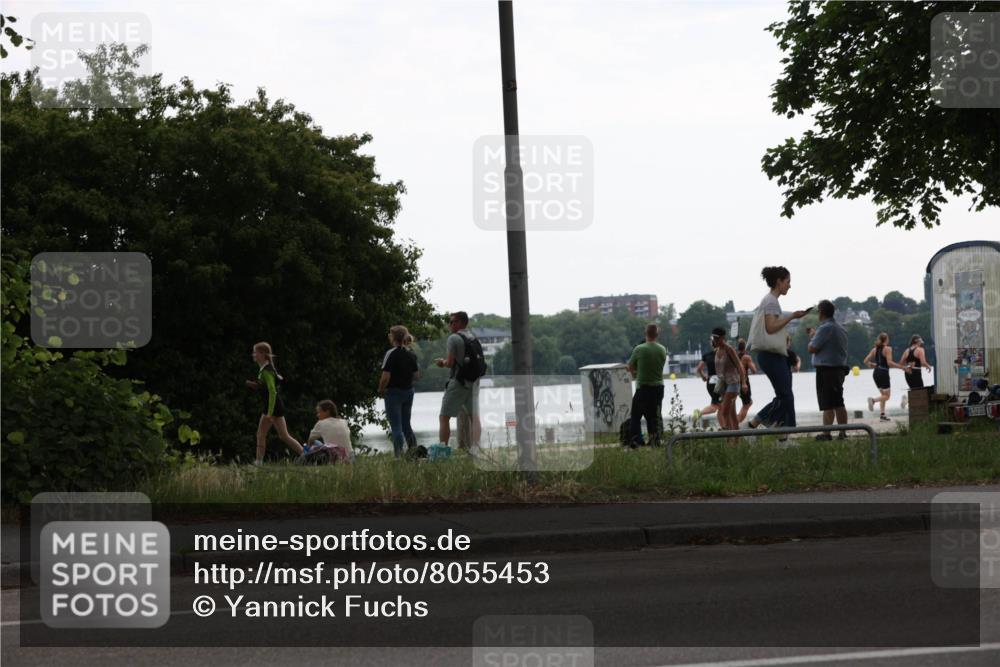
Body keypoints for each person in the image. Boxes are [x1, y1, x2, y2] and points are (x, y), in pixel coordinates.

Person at [746, 266, 811, 432]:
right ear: (779, 282)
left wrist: (785, 334)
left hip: (771, 356)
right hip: (771, 356)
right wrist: (792, 316)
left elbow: (772, 327)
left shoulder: (769, 300)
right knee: (785, 396)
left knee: (785, 396)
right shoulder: (771, 301)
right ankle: (752, 425)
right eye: (788, 282)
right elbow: (770, 327)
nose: (789, 286)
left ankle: (782, 436)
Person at [247, 341, 303, 465]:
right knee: (284, 436)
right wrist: (255, 386)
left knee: (261, 434)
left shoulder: (266, 370)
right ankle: (305, 455)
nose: (253, 354)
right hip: (275, 406)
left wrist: (270, 413)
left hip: (272, 407)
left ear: (262, 354)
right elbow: (267, 388)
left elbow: (272, 392)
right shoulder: (265, 369)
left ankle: (259, 462)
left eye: (255, 352)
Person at [434, 311, 482, 451]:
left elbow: (450, 363)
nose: (449, 325)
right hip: (474, 382)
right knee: (474, 416)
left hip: (459, 381)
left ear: (460, 323)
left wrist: (441, 362)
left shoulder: (453, 338)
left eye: (452, 322)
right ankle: (476, 448)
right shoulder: (473, 337)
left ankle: (443, 450)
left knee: (444, 417)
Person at [807, 300, 850, 441]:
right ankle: (838, 432)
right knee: (835, 402)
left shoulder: (825, 328)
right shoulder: (841, 328)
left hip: (827, 370)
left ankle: (829, 434)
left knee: (831, 403)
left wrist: (812, 338)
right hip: (839, 369)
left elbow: (812, 348)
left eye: (818, 311)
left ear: (821, 312)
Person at [378, 325, 420, 458]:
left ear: (393, 337)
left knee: (396, 426)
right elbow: (416, 375)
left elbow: (385, 376)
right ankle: (414, 452)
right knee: (406, 425)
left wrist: (381, 389)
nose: (388, 337)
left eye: (390, 334)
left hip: (393, 393)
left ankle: (398, 455)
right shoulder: (411, 353)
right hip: (408, 392)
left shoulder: (391, 353)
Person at [627, 323, 668, 447]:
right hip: (658, 388)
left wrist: (635, 371)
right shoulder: (662, 349)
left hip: (643, 388)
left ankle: (636, 440)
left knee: (635, 416)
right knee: (654, 416)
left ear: (645, 334)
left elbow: (630, 367)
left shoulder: (639, 349)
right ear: (657, 335)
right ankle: (654, 441)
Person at [711, 327, 747, 437]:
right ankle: (736, 440)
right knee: (732, 415)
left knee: (724, 411)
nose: (715, 341)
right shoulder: (716, 351)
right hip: (723, 384)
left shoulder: (729, 349)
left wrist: (744, 383)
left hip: (733, 383)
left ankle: (727, 435)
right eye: (714, 338)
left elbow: (740, 366)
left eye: (717, 338)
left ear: (723, 338)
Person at [863, 332, 904, 422]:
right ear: (886, 340)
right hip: (883, 373)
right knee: (887, 396)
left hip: (876, 373)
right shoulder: (888, 349)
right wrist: (902, 367)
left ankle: (882, 415)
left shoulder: (874, 349)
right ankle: (873, 400)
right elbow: (889, 363)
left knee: (883, 395)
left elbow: (865, 361)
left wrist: (873, 365)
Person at [694, 347, 721, 421]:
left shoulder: (707, 355)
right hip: (719, 382)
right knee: (717, 406)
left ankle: (724, 427)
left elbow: (699, 368)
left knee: (718, 406)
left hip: (710, 382)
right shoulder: (722, 354)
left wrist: (704, 377)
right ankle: (698, 413)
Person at [736, 338, 757, 423]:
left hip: (734, 382)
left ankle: (734, 423)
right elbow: (754, 370)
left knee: (745, 403)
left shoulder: (734, 356)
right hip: (744, 382)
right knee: (747, 404)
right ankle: (736, 423)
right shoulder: (746, 357)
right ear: (745, 348)